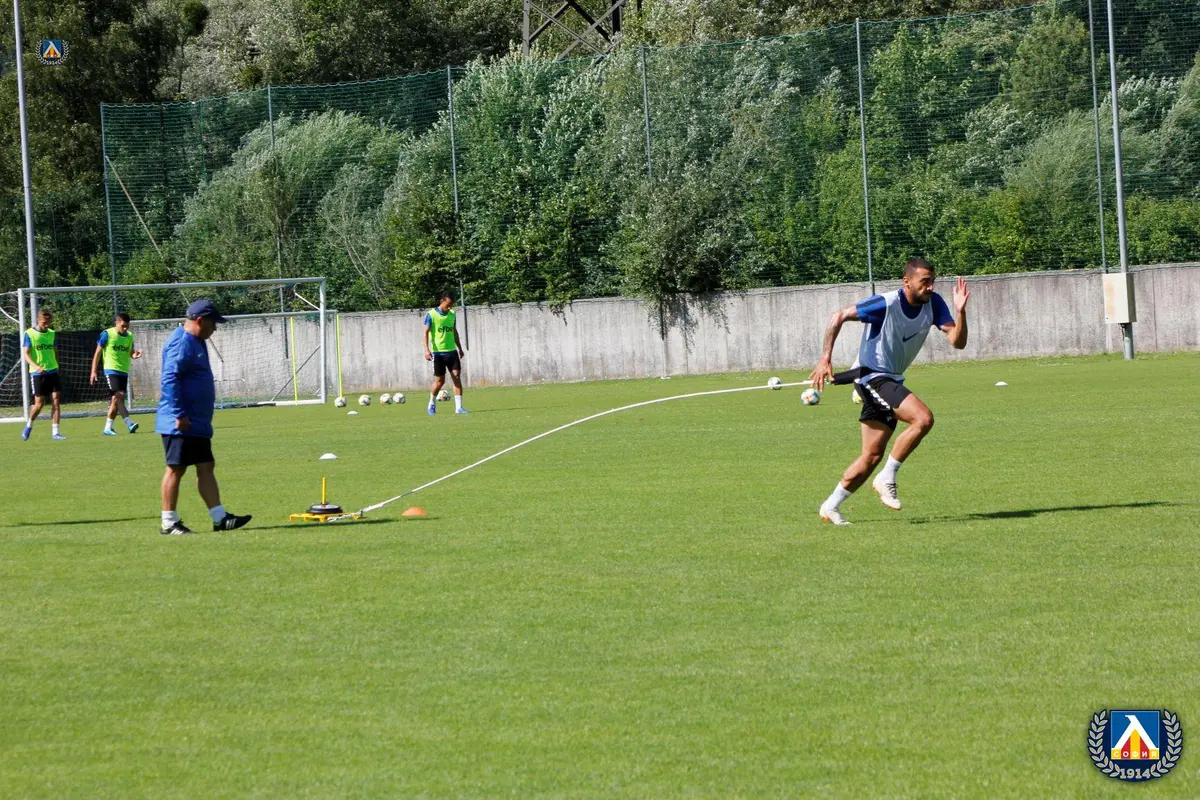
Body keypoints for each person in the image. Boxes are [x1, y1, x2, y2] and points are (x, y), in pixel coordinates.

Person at [808, 258, 970, 525]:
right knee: (923, 418)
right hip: (871, 376)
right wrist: (825, 358)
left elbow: (958, 342)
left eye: (933, 281)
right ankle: (887, 476)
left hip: (888, 379)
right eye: (924, 281)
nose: (930, 286)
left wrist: (960, 312)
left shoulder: (934, 303)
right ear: (907, 282)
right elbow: (838, 316)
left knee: (871, 456)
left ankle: (830, 506)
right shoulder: (886, 303)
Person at [155, 299, 252, 535]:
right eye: (213, 323)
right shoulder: (181, 342)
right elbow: (169, 379)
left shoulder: (197, 341)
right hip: (180, 422)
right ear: (199, 321)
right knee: (175, 468)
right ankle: (168, 523)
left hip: (196, 422)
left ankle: (220, 519)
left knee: (206, 465)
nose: (215, 328)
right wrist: (179, 414)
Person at [90, 312, 143, 435]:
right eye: (123, 326)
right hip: (111, 370)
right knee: (119, 396)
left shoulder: (130, 336)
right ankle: (129, 423)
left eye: (127, 326)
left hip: (123, 371)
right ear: (117, 322)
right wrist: (93, 371)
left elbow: (130, 352)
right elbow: (97, 353)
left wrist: (135, 355)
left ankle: (108, 428)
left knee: (115, 399)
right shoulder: (107, 334)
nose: (125, 328)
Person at [21, 308, 67, 441]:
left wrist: (57, 365)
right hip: (37, 374)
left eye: (49, 321)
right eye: (44, 321)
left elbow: (55, 351)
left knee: (56, 401)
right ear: (38, 320)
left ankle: (55, 432)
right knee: (39, 404)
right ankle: (29, 425)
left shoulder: (52, 334)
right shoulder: (29, 334)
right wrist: (36, 366)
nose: (47, 324)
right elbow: (26, 354)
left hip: (52, 371)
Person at [423, 291, 468, 415]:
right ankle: (431, 404)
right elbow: (425, 333)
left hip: (452, 352)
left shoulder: (452, 314)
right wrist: (427, 350)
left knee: (456, 377)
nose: (449, 307)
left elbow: (454, 331)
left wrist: (459, 348)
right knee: (440, 381)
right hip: (438, 353)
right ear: (441, 301)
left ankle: (459, 408)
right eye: (448, 305)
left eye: (451, 305)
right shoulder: (431, 315)